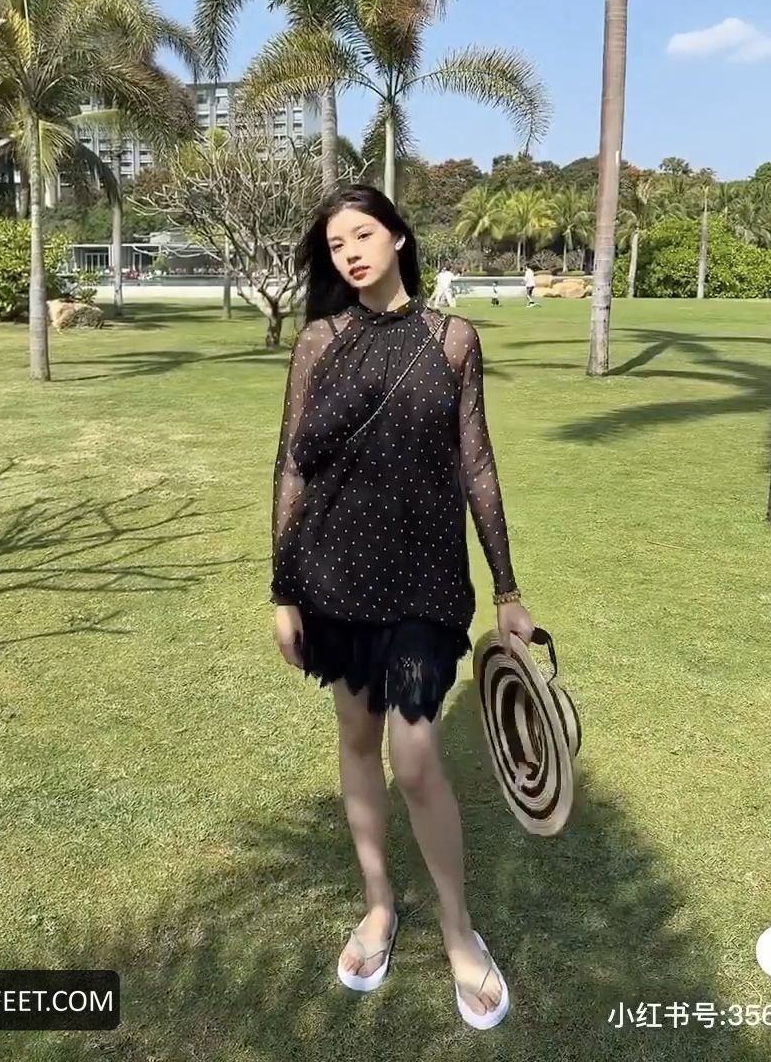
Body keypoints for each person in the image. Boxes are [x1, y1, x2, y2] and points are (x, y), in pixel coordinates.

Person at [270, 184, 534, 1029]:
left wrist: (508, 589)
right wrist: (282, 589)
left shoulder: (453, 340)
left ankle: (459, 931)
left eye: (362, 235)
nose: (349, 253)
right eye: (335, 244)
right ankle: (379, 907)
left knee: (414, 759)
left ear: (398, 238)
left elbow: (476, 465)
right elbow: (292, 466)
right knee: (356, 739)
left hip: (423, 582)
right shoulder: (320, 342)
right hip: (335, 579)